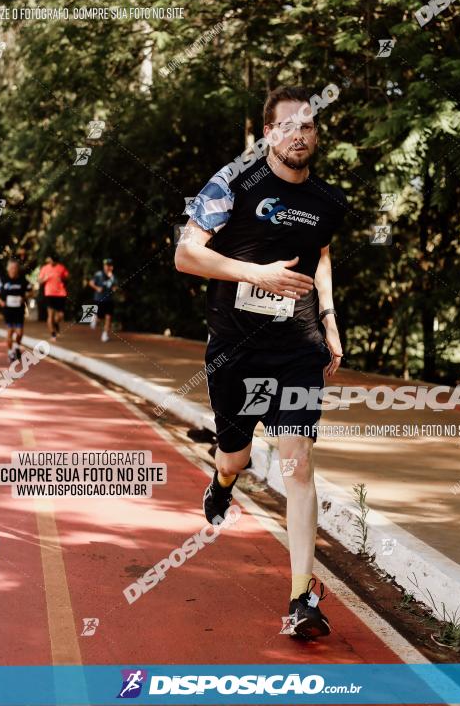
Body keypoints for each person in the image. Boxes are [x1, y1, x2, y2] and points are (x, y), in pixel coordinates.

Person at [175, 85, 348, 639]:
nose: (300, 135)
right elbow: (186, 254)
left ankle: (301, 597)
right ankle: (224, 478)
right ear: (268, 133)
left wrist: (327, 317)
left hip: (297, 345)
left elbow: (320, 256)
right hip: (236, 342)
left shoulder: (326, 199)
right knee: (236, 451)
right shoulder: (233, 183)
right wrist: (258, 274)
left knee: (297, 461)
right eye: (289, 125)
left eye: (309, 126)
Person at [0, 259, 32, 361]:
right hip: (8, 310)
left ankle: (16, 347)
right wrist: (2, 303)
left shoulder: (23, 280)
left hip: (19, 309)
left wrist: (24, 297)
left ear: (18, 269)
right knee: (10, 331)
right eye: (11, 268)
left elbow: (30, 291)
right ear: (8, 269)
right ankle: (10, 352)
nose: (13, 270)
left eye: (15, 268)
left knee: (19, 333)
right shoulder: (2, 279)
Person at [38, 253, 69, 340]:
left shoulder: (61, 267)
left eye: (53, 260)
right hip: (49, 294)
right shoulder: (45, 268)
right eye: (51, 260)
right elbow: (39, 281)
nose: (52, 262)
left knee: (61, 315)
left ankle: (56, 323)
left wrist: (63, 279)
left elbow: (67, 277)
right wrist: (45, 279)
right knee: (50, 314)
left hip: (61, 294)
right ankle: (53, 334)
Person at [88, 258, 118, 342]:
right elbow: (90, 283)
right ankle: (94, 317)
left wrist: (115, 288)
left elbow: (114, 286)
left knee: (108, 317)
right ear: (104, 266)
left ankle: (105, 335)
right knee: (99, 318)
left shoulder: (113, 276)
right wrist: (97, 288)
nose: (108, 267)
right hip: (99, 299)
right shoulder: (98, 274)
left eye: (109, 265)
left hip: (109, 300)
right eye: (106, 265)